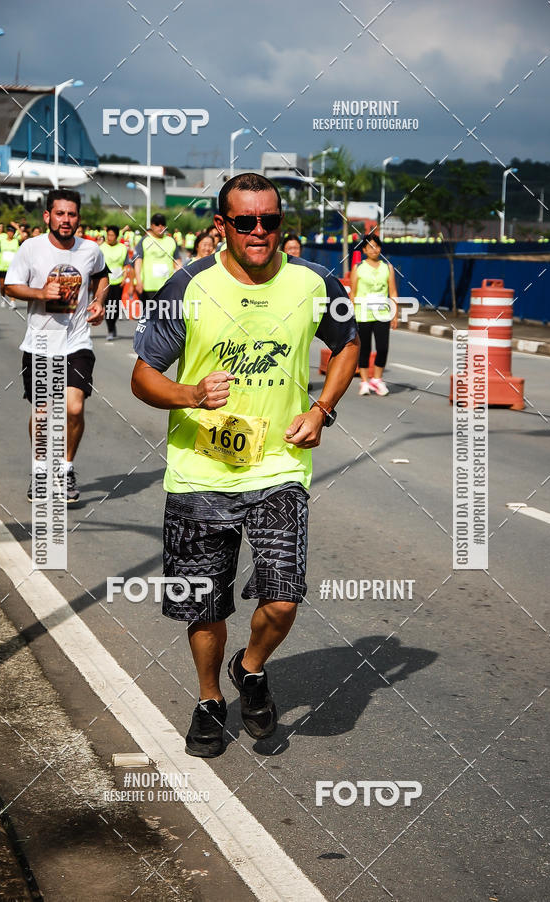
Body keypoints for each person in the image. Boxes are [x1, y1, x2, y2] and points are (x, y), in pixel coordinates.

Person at [131, 173, 359, 758]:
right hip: (200, 470)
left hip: (279, 466)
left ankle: (250, 666)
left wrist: (323, 407)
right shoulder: (186, 285)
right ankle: (210, 699)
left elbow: (349, 343)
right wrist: (189, 395)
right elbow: (142, 377)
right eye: (246, 222)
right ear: (221, 226)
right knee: (205, 603)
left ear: (283, 224)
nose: (260, 233)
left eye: (271, 221)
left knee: (282, 598)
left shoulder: (314, 281)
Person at [5, 189, 108, 503]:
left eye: (72, 214)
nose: (66, 220)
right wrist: (40, 294)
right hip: (39, 343)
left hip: (77, 343)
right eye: (60, 214)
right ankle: (39, 472)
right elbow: (10, 286)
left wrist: (100, 302)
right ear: (47, 216)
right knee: (42, 412)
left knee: (74, 408)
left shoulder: (90, 250)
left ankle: (65, 470)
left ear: (78, 217)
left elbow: (103, 277)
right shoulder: (30, 248)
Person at [350, 234, 398, 396]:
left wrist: (395, 314)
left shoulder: (387, 268)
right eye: (370, 246)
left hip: (382, 313)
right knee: (364, 349)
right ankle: (364, 382)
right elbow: (353, 293)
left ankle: (377, 379)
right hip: (362, 314)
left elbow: (392, 291)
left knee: (383, 348)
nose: (374, 249)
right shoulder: (358, 268)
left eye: (377, 246)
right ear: (364, 249)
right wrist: (350, 316)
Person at [133, 213, 181, 302]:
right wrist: (138, 281)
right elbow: (138, 262)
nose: (160, 227)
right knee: (149, 314)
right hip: (148, 287)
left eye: (163, 224)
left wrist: (180, 281)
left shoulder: (171, 241)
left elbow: (177, 263)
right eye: (157, 224)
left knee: (165, 315)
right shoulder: (144, 240)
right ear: (151, 226)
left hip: (167, 287)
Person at [100, 225, 129, 340]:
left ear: (117, 236)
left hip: (118, 281)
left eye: (112, 235)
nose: (109, 237)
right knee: (108, 306)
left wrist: (125, 277)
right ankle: (110, 329)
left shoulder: (122, 248)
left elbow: (126, 264)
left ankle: (113, 323)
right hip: (105, 281)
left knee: (116, 306)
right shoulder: (101, 248)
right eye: (108, 235)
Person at [0, 224, 20, 309]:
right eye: (9, 231)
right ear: (7, 232)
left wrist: (17, 227)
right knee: (2, 285)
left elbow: (23, 236)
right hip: (2, 267)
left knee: (12, 285)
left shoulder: (17, 241)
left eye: (12, 232)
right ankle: (3, 298)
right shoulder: (2, 242)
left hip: (13, 267)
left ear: (14, 233)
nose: (10, 233)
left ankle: (12, 301)